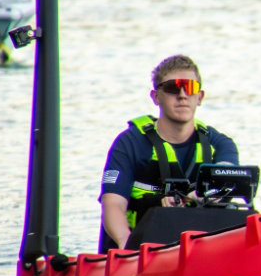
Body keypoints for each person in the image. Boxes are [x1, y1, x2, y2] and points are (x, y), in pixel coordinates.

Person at [98, 54, 239, 251]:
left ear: (200, 97)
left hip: (198, 251)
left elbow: (227, 177)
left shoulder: (220, 144)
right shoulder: (129, 143)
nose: (182, 95)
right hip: (139, 250)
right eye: (173, 88)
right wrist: (127, 247)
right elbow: (112, 204)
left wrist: (204, 193)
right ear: (156, 97)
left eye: (190, 88)